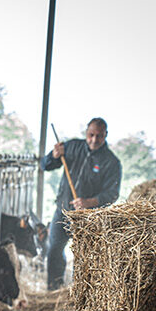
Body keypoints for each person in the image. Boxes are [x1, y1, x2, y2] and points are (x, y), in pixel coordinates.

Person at [41, 117, 122, 290]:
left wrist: (89, 202)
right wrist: (53, 156)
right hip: (62, 210)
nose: (94, 140)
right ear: (86, 133)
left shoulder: (112, 162)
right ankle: (53, 289)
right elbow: (45, 165)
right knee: (54, 249)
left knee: (85, 257)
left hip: (89, 217)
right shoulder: (71, 147)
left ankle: (80, 293)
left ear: (106, 135)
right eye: (91, 135)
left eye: (99, 136)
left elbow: (112, 193)